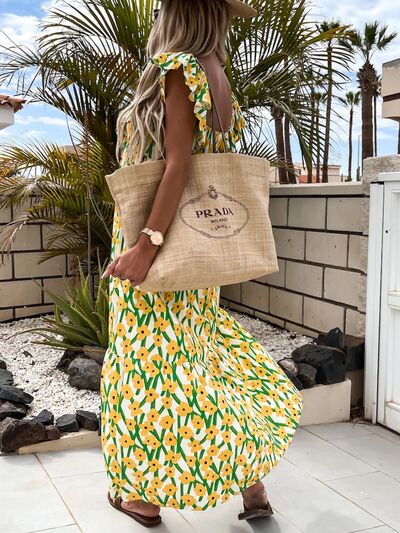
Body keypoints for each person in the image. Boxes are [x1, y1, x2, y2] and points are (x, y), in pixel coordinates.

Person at [100, 0, 303, 527]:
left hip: (160, 250)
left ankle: (144, 498)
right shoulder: (215, 74)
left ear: (180, 12)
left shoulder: (177, 69)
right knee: (200, 361)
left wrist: (145, 245)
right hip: (194, 256)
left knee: (149, 374)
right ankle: (251, 483)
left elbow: (179, 166)